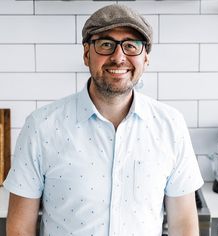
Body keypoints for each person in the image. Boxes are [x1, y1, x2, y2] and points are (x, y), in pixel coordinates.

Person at [3, 4, 203, 236]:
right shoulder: (41, 127)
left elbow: (183, 227)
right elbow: (20, 229)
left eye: (131, 46)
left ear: (145, 58)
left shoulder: (171, 125)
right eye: (106, 44)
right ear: (87, 54)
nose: (119, 58)